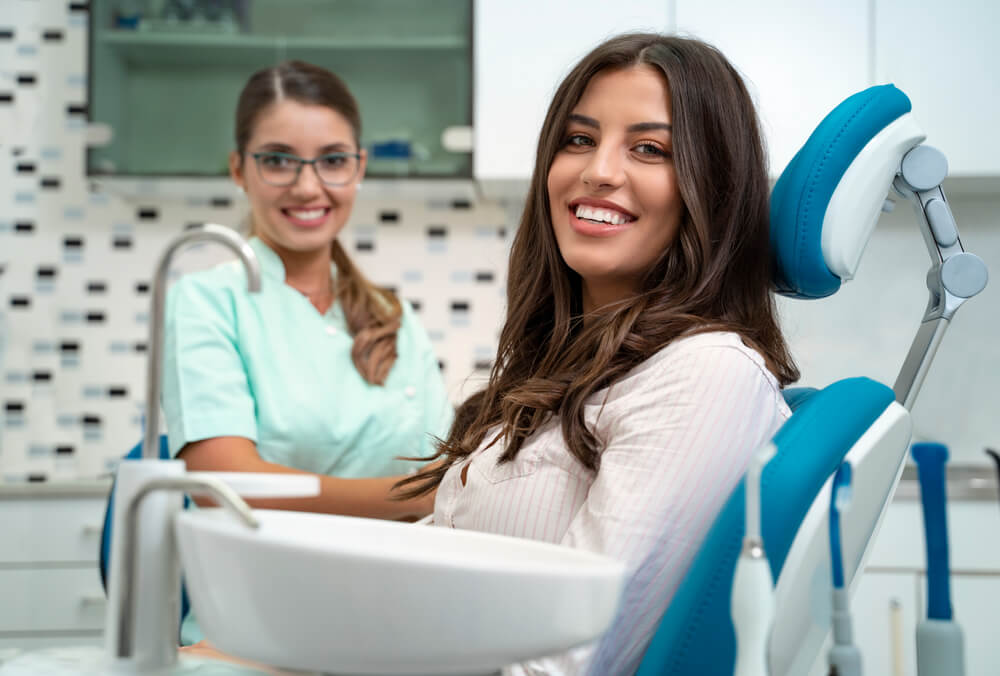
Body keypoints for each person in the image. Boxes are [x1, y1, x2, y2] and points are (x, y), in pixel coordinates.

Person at [185, 32, 799, 674]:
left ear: (714, 187)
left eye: (649, 148)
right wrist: (268, 647)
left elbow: (567, 654)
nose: (598, 170)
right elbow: (437, 563)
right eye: (579, 139)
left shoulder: (704, 373)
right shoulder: (563, 374)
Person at [162, 61, 453, 643]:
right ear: (238, 169)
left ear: (359, 168)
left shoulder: (394, 318)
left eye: (333, 160)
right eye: (276, 160)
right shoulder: (206, 301)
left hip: (400, 620)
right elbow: (223, 485)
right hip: (257, 627)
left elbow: (446, 472)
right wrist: (409, 495)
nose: (307, 186)